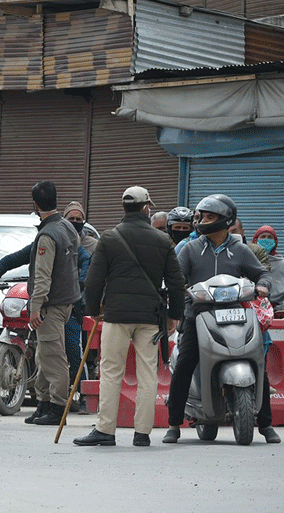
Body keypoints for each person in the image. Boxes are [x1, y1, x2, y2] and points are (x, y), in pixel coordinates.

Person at [163, 194, 280, 444]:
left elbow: (262, 274)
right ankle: (173, 423)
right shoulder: (191, 249)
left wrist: (263, 285)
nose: (203, 221)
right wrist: (177, 290)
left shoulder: (240, 250)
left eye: (209, 216)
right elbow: (176, 277)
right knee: (185, 363)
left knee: (256, 359)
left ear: (225, 220)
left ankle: (266, 425)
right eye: (202, 216)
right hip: (199, 314)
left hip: (236, 314)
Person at [73, 186, 184, 447]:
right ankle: (142, 433)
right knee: (148, 373)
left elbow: (93, 281)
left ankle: (105, 430)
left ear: (124, 207)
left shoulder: (110, 238)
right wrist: (174, 315)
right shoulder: (162, 240)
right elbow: (177, 283)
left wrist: (93, 311)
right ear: (146, 208)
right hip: (150, 316)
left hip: (116, 314)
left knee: (111, 371)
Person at [0, 240, 90, 410]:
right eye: (71, 218)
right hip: (42, 305)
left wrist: (81, 283)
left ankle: (82, 394)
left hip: (66, 306)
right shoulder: (40, 243)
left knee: (70, 348)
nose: (73, 223)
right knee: (43, 354)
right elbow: (13, 259)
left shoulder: (72, 247)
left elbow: (87, 263)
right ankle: (43, 403)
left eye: (77, 220)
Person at [23, 181, 81, 426]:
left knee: (54, 358)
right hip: (66, 303)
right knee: (44, 356)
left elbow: (43, 276)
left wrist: (35, 306)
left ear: (35, 205)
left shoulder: (47, 234)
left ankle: (57, 408)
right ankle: (43, 404)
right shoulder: (68, 227)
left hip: (51, 305)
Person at [253, 225, 284, 311]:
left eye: (270, 237)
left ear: (275, 241)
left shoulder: (281, 263)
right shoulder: (249, 260)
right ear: (255, 241)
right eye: (263, 237)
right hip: (254, 306)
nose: (266, 239)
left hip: (279, 309)